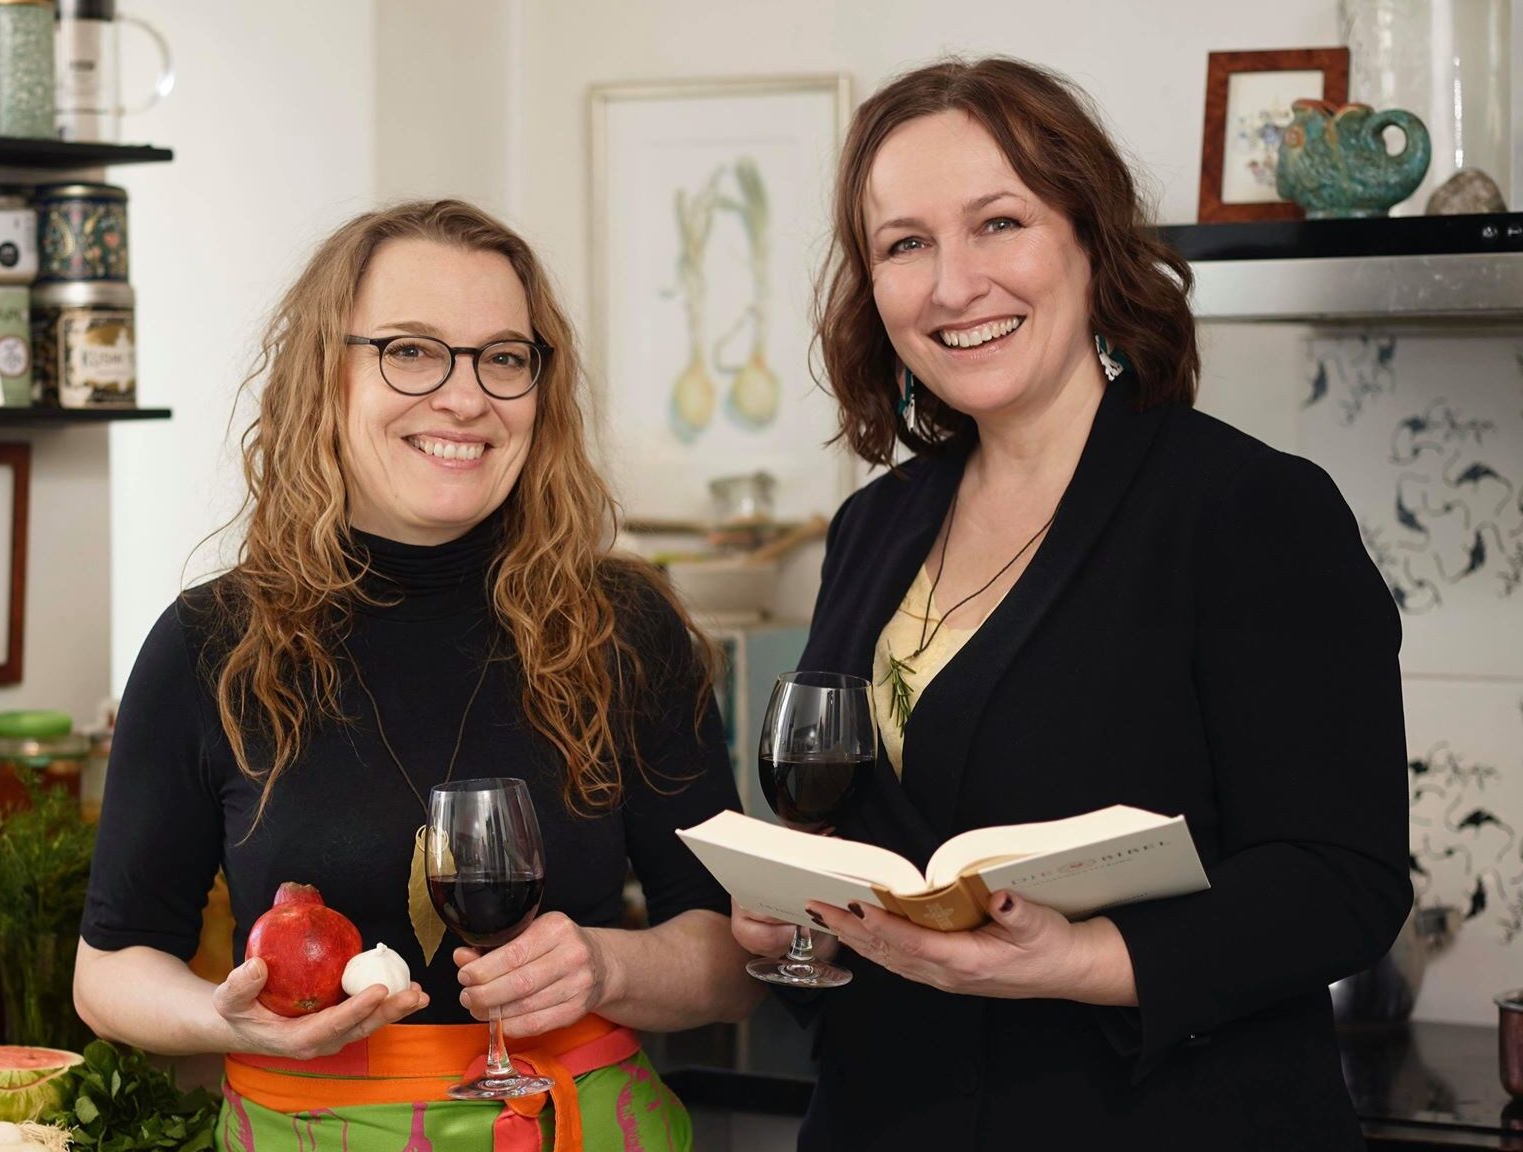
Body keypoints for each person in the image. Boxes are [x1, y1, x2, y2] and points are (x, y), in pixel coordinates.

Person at [730, 57, 1411, 1149]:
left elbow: (1343, 880)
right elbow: (867, 830)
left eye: (997, 224)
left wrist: (1084, 958)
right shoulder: (873, 526)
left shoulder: (1246, 510)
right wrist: (793, 905)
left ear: (1090, 240)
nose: (952, 285)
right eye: (904, 244)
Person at [76, 198, 759, 1151]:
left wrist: (606, 968)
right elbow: (111, 970)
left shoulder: (624, 627)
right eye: (410, 350)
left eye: (503, 358)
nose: (466, 398)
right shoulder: (211, 644)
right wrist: (228, 1022)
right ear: (325, 375)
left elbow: (729, 957)